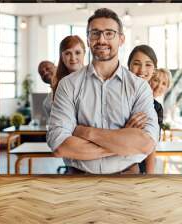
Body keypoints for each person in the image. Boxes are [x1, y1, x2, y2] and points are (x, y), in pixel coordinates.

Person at [47, 8, 159, 174]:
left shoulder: (139, 87)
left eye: (109, 33)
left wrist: (86, 132)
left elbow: (146, 144)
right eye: (95, 33)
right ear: (88, 39)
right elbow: (60, 146)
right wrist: (123, 142)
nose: (101, 39)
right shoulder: (68, 85)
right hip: (79, 180)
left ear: (121, 39)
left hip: (127, 177)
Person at [127, 44, 161, 174]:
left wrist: (150, 176)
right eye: (136, 64)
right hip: (113, 163)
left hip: (141, 168)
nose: (142, 70)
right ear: (128, 67)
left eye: (148, 65)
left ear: (154, 70)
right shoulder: (118, 97)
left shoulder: (156, 107)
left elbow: (152, 145)